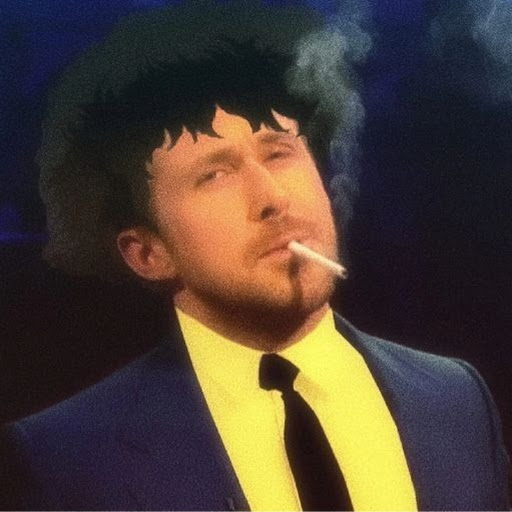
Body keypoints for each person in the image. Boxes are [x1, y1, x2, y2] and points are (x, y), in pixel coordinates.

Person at [0, 1, 509, 510]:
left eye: (278, 153)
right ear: (148, 253)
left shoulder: (454, 399)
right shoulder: (66, 457)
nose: (272, 198)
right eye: (215, 175)